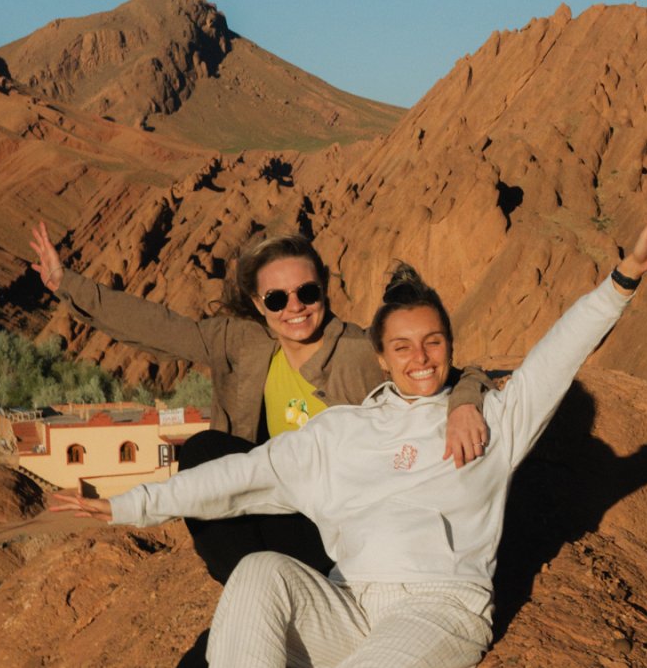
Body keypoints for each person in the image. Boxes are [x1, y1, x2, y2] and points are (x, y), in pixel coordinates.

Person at [51, 198, 647, 667]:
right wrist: (123, 505)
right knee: (257, 572)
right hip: (347, 598)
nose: (419, 357)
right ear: (384, 355)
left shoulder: (492, 422)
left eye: (433, 343)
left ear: (449, 348)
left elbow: (556, 356)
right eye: (403, 346)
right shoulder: (344, 429)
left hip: (438, 607)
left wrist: (622, 280)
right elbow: (241, 475)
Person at [30, 223, 493, 583]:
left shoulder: (357, 351)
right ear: (257, 302)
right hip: (267, 506)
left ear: (324, 290)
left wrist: (466, 403)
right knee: (204, 452)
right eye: (276, 298)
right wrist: (64, 282)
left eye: (307, 292)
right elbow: (155, 326)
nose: (295, 307)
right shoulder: (241, 342)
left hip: (337, 524)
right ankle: (253, 588)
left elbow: (444, 370)